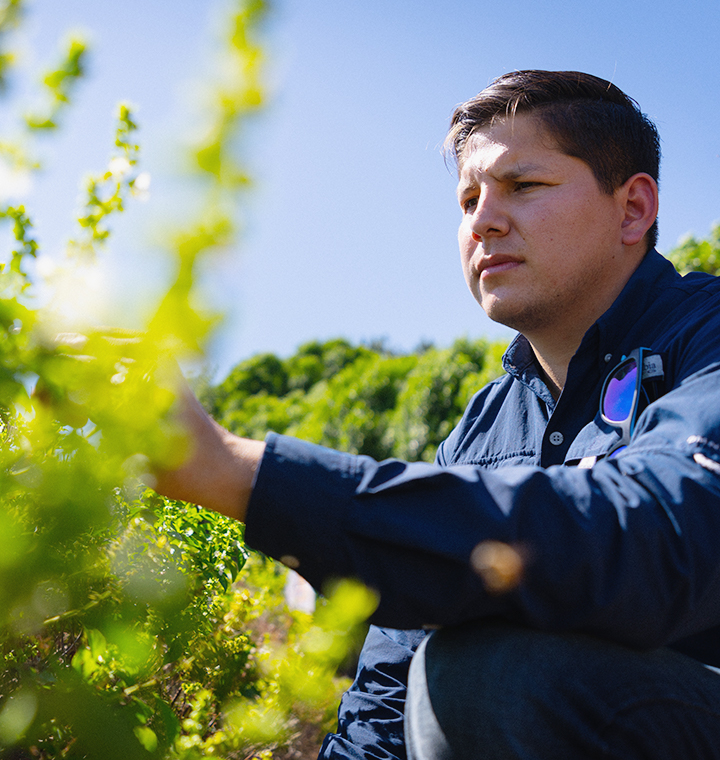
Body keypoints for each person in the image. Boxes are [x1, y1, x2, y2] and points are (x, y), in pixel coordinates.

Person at [154, 70, 720, 759]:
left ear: (632, 209)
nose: (483, 221)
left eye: (524, 186)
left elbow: (660, 534)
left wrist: (244, 475)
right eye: (469, 198)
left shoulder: (706, 337)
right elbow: (385, 697)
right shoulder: (480, 429)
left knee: (488, 676)